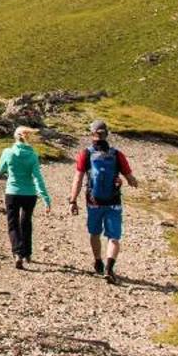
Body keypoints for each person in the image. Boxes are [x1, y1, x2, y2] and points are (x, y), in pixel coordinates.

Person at [68, 118, 139, 284]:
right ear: (106, 134)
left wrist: (73, 200)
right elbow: (130, 178)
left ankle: (98, 261)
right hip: (113, 202)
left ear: (92, 134)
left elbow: (78, 179)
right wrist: (131, 181)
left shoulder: (86, 154)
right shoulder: (116, 154)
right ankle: (109, 267)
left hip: (93, 202)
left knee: (94, 233)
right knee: (113, 238)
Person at [0, 125, 51, 269]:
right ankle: (27, 253)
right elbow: (37, 177)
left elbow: (0, 170)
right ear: (27, 137)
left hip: (12, 192)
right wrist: (45, 198)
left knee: (13, 223)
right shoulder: (33, 155)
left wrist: (10, 168)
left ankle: (18, 253)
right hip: (30, 194)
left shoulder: (8, 152)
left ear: (15, 137)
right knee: (26, 222)